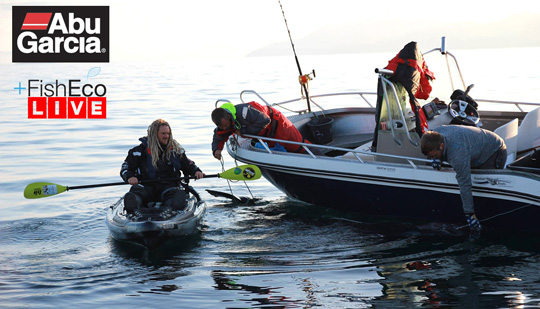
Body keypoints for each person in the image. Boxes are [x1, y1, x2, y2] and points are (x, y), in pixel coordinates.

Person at [420, 125, 507, 231]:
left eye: (434, 155)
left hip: (494, 152)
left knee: (482, 186)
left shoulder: (457, 154)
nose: (432, 157)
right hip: (473, 145)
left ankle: (488, 223)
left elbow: (465, 183)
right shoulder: (435, 133)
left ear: (441, 146)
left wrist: (469, 214)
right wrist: (436, 159)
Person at [120, 119, 204, 213]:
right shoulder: (138, 152)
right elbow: (126, 168)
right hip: (145, 187)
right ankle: (133, 203)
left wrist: (196, 171)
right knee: (137, 193)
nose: (166, 136)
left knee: (174, 195)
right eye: (163, 133)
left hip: (168, 187)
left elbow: (187, 164)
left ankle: (174, 206)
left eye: (168, 133)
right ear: (154, 134)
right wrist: (130, 177)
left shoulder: (176, 151)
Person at [211, 101, 312, 160]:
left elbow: (265, 120)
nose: (224, 128)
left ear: (229, 116)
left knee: (300, 147)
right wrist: (216, 149)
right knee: (282, 155)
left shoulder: (245, 112)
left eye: (225, 125)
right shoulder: (226, 124)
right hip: (264, 136)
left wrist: (243, 132)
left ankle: (322, 158)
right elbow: (219, 136)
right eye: (221, 126)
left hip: (278, 125)